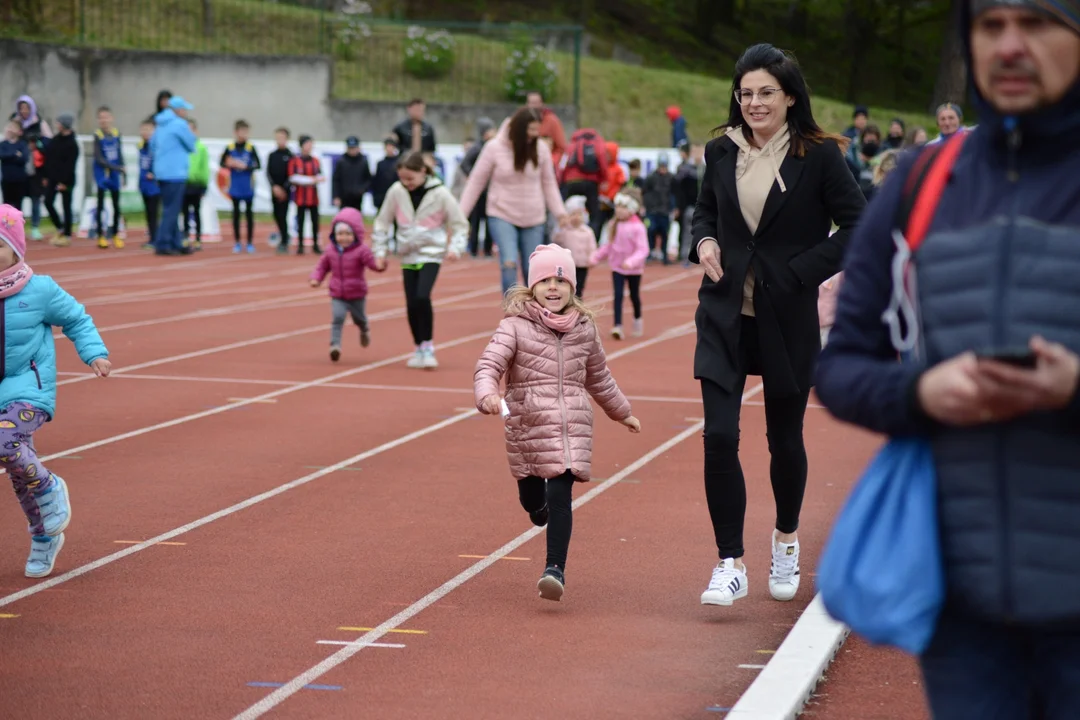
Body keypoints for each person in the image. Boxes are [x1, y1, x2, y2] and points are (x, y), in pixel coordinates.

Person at [815, 1, 1080, 716]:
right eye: (990, 26)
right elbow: (840, 368)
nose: (1010, 46)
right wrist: (921, 394)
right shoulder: (922, 182)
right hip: (964, 605)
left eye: (1037, 23)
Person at [689, 43, 865, 607]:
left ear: (790, 96)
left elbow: (860, 224)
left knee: (783, 440)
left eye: (767, 92)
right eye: (746, 93)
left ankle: (786, 539)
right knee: (718, 437)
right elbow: (704, 212)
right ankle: (729, 562)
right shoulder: (720, 150)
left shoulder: (819, 156)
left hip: (785, 315)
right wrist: (705, 240)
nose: (755, 102)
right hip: (723, 313)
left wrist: (799, 273)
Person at [473, 244, 641, 601]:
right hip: (527, 424)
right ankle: (537, 509)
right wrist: (487, 394)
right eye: (546, 280)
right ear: (532, 286)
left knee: (561, 492)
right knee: (533, 496)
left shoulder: (585, 329)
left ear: (573, 287)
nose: (553, 287)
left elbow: (599, 377)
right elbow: (489, 365)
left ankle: (554, 570)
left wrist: (621, 411)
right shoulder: (515, 327)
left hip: (572, 427)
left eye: (561, 281)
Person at [0, 204, 111, 579]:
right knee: (17, 470)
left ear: (15, 249)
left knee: (5, 443)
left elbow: (77, 318)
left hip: (28, 389)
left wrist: (94, 353)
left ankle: (50, 487)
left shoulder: (40, 289)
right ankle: (44, 536)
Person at [372, 152, 468, 370]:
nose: (407, 183)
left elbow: (460, 223)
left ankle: (428, 346)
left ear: (423, 171)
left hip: (431, 253)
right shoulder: (396, 191)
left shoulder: (441, 193)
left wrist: (455, 248)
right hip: (407, 254)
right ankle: (418, 347)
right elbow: (382, 222)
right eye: (402, 178)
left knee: (422, 296)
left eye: (410, 178)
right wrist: (380, 251)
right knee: (411, 303)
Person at [458, 108, 568, 294]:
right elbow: (476, 182)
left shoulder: (540, 148)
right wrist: (460, 216)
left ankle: (533, 315)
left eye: (537, 130)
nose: (534, 135)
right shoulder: (494, 148)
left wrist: (560, 213)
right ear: (518, 129)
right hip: (502, 214)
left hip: (533, 217)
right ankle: (512, 312)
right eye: (531, 130)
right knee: (508, 262)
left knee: (532, 269)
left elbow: (549, 184)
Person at [309, 208, 384, 362]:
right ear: (334, 235)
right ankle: (335, 345)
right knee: (337, 317)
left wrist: (380, 265)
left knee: (359, 319)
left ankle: (364, 329)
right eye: (340, 234)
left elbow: (371, 263)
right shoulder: (330, 251)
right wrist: (316, 278)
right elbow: (322, 266)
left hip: (357, 292)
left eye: (348, 234)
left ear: (356, 234)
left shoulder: (361, 251)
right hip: (337, 292)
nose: (344, 238)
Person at [591, 191, 650, 339]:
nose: (619, 210)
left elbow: (643, 249)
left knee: (634, 295)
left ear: (631, 209)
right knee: (617, 295)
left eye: (623, 207)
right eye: (617, 206)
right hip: (617, 267)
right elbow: (608, 245)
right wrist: (596, 257)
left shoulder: (638, 227)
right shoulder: (613, 224)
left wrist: (631, 262)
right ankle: (618, 326)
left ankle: (637, 319)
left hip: (634, 270)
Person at [150, 96, 197, 256]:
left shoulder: (160, 124)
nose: (186, 113)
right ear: (177, 110)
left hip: (161, 172)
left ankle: (175, 242)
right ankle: (162, 242)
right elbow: (191, 144)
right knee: (172, 210)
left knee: (170, 208)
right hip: (175, 172)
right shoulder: (179, 124)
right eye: (184, 109)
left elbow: (152, 145)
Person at [221, 119, 261, 254]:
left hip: (247, 185)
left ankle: (249, 242)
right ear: (236, 132)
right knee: (236, 214)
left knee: (249, 214)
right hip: (235, 185)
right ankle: (237, 242)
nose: (243, 134)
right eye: (241, 131)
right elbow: (222, 163)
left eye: (246, 132)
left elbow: (258, 165)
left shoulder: (250, 148)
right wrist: (229, 163)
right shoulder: (230, 148)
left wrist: (246, 166)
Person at [43, 114, 80, 248]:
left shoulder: (72, 144)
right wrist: (46, 176)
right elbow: (49, 159)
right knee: (47, 202)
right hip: (52, 178)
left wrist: (64, 182)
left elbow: (70, 165)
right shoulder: (55, 140)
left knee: (66, 207)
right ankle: (60, 228)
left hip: (67, 181)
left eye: (58, 122)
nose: (56, 124)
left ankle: (68, 235)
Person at [91, 106, 125, 248]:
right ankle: (100, 235)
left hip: (115, 174)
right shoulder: (97, 135)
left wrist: (123, 171)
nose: (104, 120)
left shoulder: (117, 134)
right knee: (100, 205)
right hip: (102, 174)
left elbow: (120, 153)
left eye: (106, 117)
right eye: (101, 117)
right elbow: (99, 158)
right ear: (98, 120)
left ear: (111, 118)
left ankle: (116, 234)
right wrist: (116, 167)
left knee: (116, 205)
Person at [550, 195, 597, 298]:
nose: (576, 217)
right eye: (573, 214)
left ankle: (577, 308)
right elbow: (555, 239)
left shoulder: (587, 231)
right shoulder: (565, 230)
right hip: (567, 265)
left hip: (582, 265)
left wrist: (592, 258)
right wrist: (560, 227)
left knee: (579, 287)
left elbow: (592, 247)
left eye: (579, 214)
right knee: (566, 287)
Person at [287, 135, 323, 255]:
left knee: (315, 221)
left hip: (314, 198)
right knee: (301, 221)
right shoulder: (295, 161)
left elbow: (321, 176)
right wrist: (310, 180)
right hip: (300, 197)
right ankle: (300, 244)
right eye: (308, 144)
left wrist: (312, 179)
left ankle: (315, 244)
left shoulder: (315, 161)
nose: (310, 147)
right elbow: (293, 177)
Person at [182, 118, 210, 251]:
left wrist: (204, 184)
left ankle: (198, 238)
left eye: (191, 129)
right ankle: (186, 237)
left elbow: (204, 167)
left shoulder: (201, 147)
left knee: (197, 212)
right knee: (185, 212)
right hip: (183, 184)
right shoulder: (181, 147)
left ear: (196, 131)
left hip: (197, 185)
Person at [266, 127, 293, 254]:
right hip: (274, 190)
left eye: (282, 138)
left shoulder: (291, 156)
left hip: (286, 191)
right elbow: (268, 173)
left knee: (284, 215)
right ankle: (283, 235)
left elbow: (292, 174)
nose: (280, 140)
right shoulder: (272, 155)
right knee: (276, 214)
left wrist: (284, 188)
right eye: (278, 138)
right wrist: (274, 187)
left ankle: (284, 240)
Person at [332, 136, 372, 212]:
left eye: (354, 148)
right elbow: (336, 180)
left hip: (357, 197)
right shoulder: (341, 161)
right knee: (344, 218)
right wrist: (336, 196)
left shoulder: (363, 161)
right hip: (344, 197)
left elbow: (368, 179)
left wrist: (362, 189)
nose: (352, 150)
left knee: (356, 217)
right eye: (350, 148)